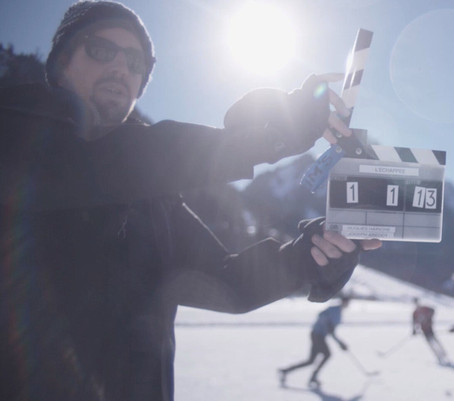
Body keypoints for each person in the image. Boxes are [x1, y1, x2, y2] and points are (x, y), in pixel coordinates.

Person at [0, 2, 381, 401]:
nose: (121, 68)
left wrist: (312, 257)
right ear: (60, 62)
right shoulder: (15, 132)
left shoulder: (153, 196)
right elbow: (100, 164)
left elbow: (230, 282)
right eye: (101, 50)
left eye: (136, 62)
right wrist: (264, 137)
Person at [279, 296, 351, 388]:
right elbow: (321, 315)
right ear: (343, 302)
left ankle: (285, 371)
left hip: (319, 335)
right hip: (317, 335)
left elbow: (331, 331)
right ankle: (313, 376)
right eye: (347, 302)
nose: (348, 305)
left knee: (310, 360)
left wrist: (340, 343)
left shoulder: (339, 312)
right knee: (327, 354)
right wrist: (327, 324)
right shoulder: (334, 309)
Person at [412, 297, 448, 365]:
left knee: (435, 340)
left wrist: (428, 317)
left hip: (429, 328)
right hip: (424, 330)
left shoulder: (425, 308)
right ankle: (438, 356)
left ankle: (443, 353)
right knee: (430, 343)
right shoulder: (415, 313)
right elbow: (414, 322)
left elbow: (433, 310)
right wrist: (414, 330)